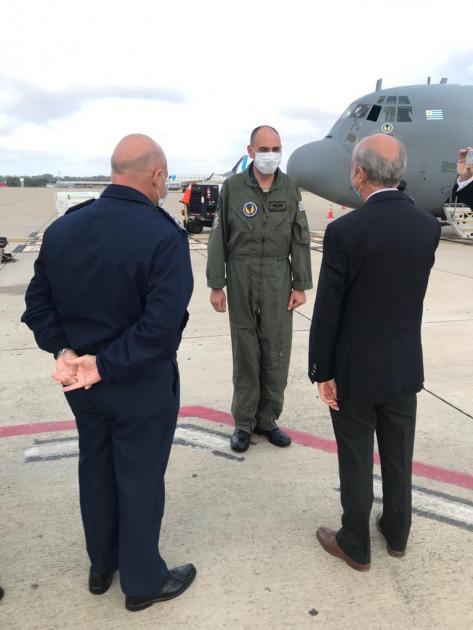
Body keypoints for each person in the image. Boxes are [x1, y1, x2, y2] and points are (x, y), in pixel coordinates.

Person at [21, 134, 195, 611]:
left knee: (96, 469)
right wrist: (104, 365)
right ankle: (141, 583)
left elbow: (37, 306)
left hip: (81, 387)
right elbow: (160, 329)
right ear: (157, 176)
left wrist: (64, 351)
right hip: (138, 385)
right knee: (139, 478)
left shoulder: (65, 229)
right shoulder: (163, 236)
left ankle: (102, 565)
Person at [308, 134, 440, 571]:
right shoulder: (426, 227)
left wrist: (320, 370)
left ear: (359, 174)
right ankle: (397, 533)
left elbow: (328, 310)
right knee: (399, 455)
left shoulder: (345, 231)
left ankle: (355, 543)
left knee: (356, 458)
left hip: (355, 370)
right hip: (403, 365)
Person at [207, 125, 313, 452]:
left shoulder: (291, 188)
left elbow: (301, 237)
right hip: (240, 273)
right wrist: (216, 284)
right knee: (246, 351)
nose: (271, 154)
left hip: (279, 277)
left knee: (276, 350)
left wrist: (300, 283)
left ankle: (268, 420)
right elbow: (218, 236)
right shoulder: (233, 188)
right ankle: (243, 422)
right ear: (251, 151)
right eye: (264, 148)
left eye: (276, 148)